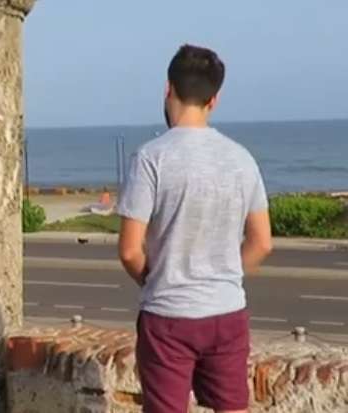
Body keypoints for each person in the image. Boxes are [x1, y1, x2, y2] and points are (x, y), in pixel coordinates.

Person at [117, 44, 273, 413]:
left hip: (168, 315)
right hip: (227, 312)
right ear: (214, 100)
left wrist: (161, 279)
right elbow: (262, 241)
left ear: (168, 90)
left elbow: (129, 249)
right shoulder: (241, 159)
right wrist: (225, 275)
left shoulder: (151, 158)